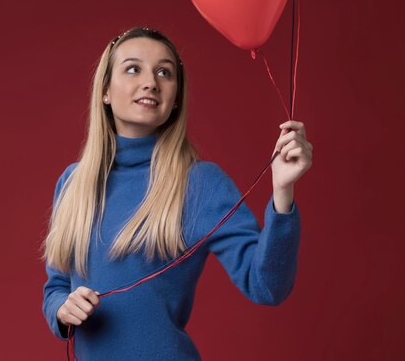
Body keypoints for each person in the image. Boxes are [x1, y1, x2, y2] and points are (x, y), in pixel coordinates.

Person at [42, 26, 312, 360]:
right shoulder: (74, 182)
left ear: (175, 99)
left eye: (164, 72)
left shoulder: (200, 183)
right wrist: (62, 310)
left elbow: (267, 286)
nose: (151, 82)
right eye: (132, 68)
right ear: (105, 91)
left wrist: (283, 191)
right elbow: (56, 287)